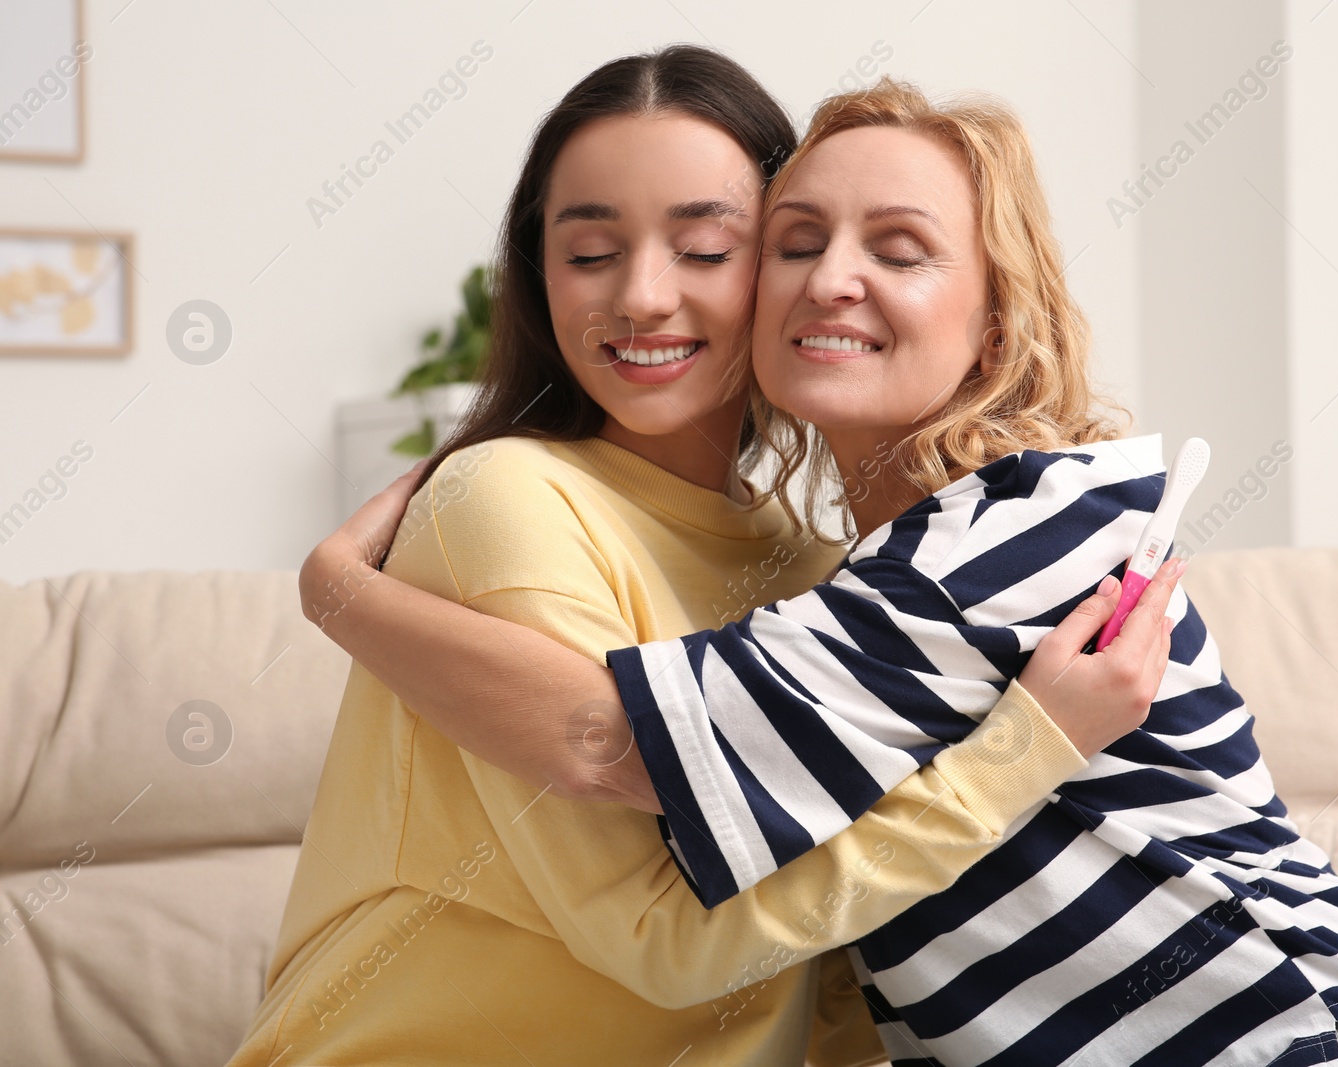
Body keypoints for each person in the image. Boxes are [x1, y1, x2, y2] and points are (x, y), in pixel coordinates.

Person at [304, 77, 1338, 1067]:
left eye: (898, 249)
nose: (831, 276)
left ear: (995, 320)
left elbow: (603, 741)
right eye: (797, 239)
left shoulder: (1011, 535)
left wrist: (336, 592)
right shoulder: (856, 566)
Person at [231, 48, 1172, 1067]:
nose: (639, 296)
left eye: (705, 249)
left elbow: (832, 964)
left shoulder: (833, 571)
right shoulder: (504, 499)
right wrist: (1027, 749)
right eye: (588, 253)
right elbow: (663, 940)